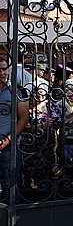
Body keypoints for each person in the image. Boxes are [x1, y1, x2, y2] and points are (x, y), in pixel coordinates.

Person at [0, 58, 30, 204]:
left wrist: (7, 140)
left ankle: (10, 223)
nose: (2, 73)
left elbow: (24, 119)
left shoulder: (17, 91)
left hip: (9, 145)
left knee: (10, 187)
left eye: (4, 69)